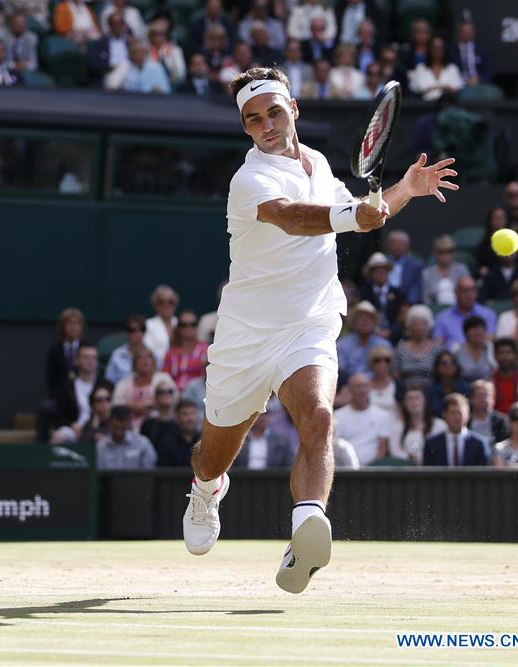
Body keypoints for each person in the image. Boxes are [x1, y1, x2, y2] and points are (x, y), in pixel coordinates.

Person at [183, 65, 457, 594]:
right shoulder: (250, 179)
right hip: (246, 334)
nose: (265, 124)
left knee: (320, 414)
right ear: (245, 126)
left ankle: (306, 524)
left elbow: (361, 212)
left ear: (294, 111)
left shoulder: (321, 165)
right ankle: (207, 488)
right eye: (253, 118)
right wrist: (356, 215)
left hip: (308, 322)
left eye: (274, 112)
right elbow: (294, 218)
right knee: (213, 452)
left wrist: (403, 189)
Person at [112, 346, 176, 431]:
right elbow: (116, 403)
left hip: (159, 425)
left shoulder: (164, 378)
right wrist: (133, 407)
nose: (145, 360)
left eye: (148, 357)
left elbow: (174, 398)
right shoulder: (124, 382)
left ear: (153, 361)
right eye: (140, 358)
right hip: (128, 427)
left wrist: (150, 406)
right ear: (134, 363)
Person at [333, 373, 390, 465]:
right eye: (358, 386)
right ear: (350, 390)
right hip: (347, 470)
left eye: (365, 385)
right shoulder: (338, 416)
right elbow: (337, 448)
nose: (362, 390)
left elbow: (382, 449)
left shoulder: (382, 415)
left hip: (374, 471)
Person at [49, 342, 99, 443]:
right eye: (85, 357)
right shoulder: (67, 387)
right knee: (58, 437)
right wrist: (72, 425)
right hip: (74, 429)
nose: (90, 361)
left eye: (93, 357)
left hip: (98, 429)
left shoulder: (105, 385)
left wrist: (89, 427)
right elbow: (59, 418)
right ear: (76, 361)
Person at [422, 393, 488, 466]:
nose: (457, 417)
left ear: (468, 415)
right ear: (444, 414)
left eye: (460, 413)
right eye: (453, 413)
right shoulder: (432, 444)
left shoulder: (479, 444)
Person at [434, 276, 497, 349]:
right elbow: (438, 345)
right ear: (456, 293)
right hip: (453, 357)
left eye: (472, 290)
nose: (469, 294)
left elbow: (489, 342)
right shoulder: (442, 317)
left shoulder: (488, 314)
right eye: (465, 290)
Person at [388, 385, 445, 463]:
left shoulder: (439, 425)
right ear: (405, 404)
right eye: (409, 398)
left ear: (424, 400)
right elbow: (395, 451)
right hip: (405, 469)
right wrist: (408, 457)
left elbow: (441, 450)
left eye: (417, 397)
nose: (414, 402)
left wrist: (423, 457)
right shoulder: (397, 427)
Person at [336, 301, 391, 377]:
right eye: (360, 317)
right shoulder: (342, 345)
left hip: (378, 385)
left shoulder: (384, 345)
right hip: (351, 386)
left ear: (374, 322)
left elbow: (389, 372)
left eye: (369, 317)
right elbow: (341, 372)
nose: (365, 320)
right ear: (354, 322)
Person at [394, 304, 442, 388]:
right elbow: (396, 374)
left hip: (431, 391)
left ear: (429, 326)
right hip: (406, 392)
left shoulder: (437, 348)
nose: (419, 327)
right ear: (409, 326)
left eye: (423, 323)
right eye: (415, 324)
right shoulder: (400, 347)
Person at [95, 405, 157, 469]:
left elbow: (149, 472)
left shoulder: (143, 444)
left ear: (129, 423)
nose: (119, 432)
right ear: (109, 423)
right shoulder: (100, 447)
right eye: (116, 427)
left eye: (122, 428)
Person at [358, 251, 404, 333]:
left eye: (383, 270)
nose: (381, 273)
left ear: (388, 272)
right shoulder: (364, 294)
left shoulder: (398, 293)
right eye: (377, 271)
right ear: (371, 274)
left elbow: (401, 317)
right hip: (371, 334)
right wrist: (375, 330)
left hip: (393, 335)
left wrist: (390, 331)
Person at [161, 311, 208, 391]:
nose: (188, 328)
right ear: (178, 328)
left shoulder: (205, 350)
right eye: (184, 325)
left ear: (197, 327)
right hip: (174, 394)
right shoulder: (170, 353)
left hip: (198, 394)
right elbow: (165, 378)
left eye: (192, 324)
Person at [407, 36, 463, 101]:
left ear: (444, 50)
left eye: (439, 47)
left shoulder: (452, 68)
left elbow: (456, 88)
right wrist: (444, 87)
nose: (437, 50)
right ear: (429, 49)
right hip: (424, 106)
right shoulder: (420, 68)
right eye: (434, 47)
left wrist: (431, 88)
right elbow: (418, 88)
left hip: (448, 106)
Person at [104, 39, 171, 94]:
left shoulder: (157, 68)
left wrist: (158, 91)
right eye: (135, 51)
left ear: (146, 52)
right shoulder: (124, 66)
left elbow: (166, 91)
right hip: (128, 103)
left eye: (141, 51)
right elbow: (111, 86)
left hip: (151, 103)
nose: (138, 54)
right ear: (130, 53)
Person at [421, 234, 471, 306]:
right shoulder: (427, 273)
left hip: (460, 308)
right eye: (441, 252)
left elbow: (467, 292)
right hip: (435, 309)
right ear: (435, 253)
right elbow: (426, 299)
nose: (445, 255)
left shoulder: (462, 269)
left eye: (449, 251)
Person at [149, 399, 200, 467]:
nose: (190, 418)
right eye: (185, 414)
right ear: (177, 418)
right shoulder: (166, 444)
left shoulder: (206, 441)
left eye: (193, 413)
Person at [45, 307, 85, 396]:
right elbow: (51, 381)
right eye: (70, 323)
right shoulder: (54, 350)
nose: (74, 327)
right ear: (62, 326)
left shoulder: (87, 347)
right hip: (61, 395)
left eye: (77, 323)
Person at [87, 11, 130, 84]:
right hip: (108, 74)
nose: (117, 26)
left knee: (126, 65)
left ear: (123, 25)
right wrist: (109, 67)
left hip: (129, 75)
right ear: (109, 25)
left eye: (119, 23)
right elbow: (92, 63)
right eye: (114, 24)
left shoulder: (129, 42)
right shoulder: (100, 43)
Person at [384, 229, 423, 305]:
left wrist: (408, 304)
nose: (397, 246)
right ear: (388, 245)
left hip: (407, 302)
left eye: (401, 243)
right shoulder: (383, 261)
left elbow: (416, 287)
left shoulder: (416, 264)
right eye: (393, 242)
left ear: (408, 246)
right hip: (386, 299)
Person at [452, 316, 496, 383]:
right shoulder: (456, 349)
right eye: (473, 328)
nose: (477, 332)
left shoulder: (490, 348)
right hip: (462, 390)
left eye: (480, 328)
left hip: (487, 389)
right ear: (465, 333)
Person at [492, 338, 518, 414]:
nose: (504, 356)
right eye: (500, 352)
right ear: (495, 356)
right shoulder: (489, 381)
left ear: (515, 355)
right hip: (495, 423)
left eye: (508, 352)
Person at [426, 350, 469, 417]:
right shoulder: (430, 390)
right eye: (444, 363)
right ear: (437, 367)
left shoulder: (464, 388)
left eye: (452, 362)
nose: (448, 365)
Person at [142, 284, 177, 366]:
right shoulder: (148, 325)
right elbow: (149, 351)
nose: (166, 305)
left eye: (170, 302)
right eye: (161, 302)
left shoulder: (181, 324)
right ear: (155, 304)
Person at [467, 379, 509, 446]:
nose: (484, 399)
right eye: (479, 395)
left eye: (487, 395)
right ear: (471, 399)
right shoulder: (465, 421)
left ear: (493, 399)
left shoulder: (503, 421)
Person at [451, 19, 490, 86]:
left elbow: (488, 72)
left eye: (469, 31)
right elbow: (450, 72)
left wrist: (479, 79)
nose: (467, 33)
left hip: (479, 84)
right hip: (459, 84)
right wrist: (462, 81)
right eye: (464, 31)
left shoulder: (482, 51)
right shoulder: (452, 51)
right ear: (459, 33)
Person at [366, 346, 397, 418]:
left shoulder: (397, 385)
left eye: (387, 360)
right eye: (377, 361)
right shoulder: (365, 386)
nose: (382, 364)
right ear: (371, 364)